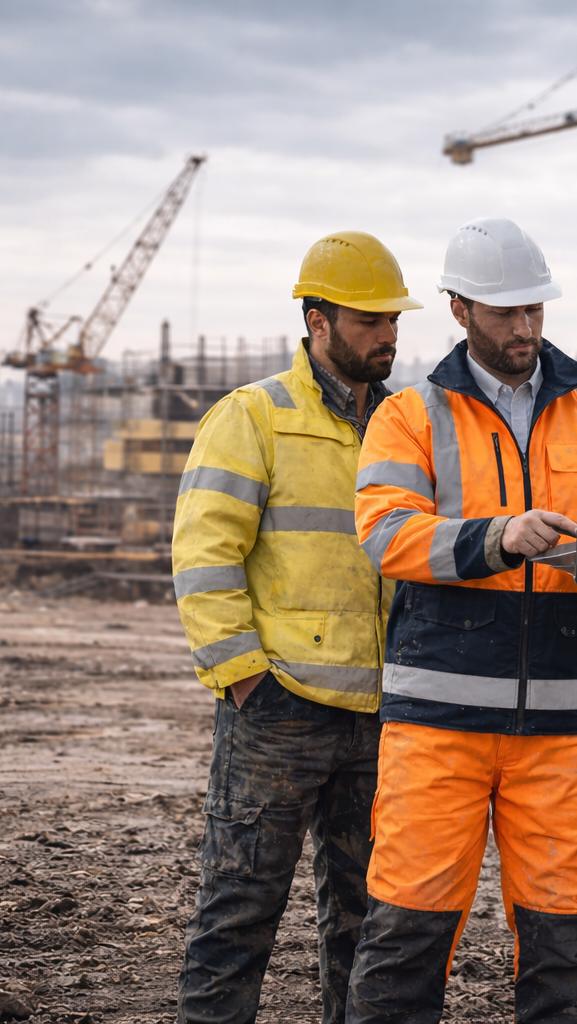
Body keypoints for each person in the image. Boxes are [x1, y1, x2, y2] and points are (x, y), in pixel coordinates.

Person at [347, 216, 577, 1024]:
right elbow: (385, 534)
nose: (527, 327)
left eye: (536, 309)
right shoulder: (410, 418)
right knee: (406, 939)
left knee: (570, 947)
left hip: (566, 730)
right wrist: (496, 538)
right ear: (460, 310)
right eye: (507, 313)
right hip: (439, 729)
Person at [173, 230, 418, 1024]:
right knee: (238, 918)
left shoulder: (404, 427)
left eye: (393, 321)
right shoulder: (254, 417)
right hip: (277, 714)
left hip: (380, 719)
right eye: (369, 320)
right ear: (318, 320)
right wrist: (245, 679)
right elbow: (204, 559)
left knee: (369, 927)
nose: (388, 335)